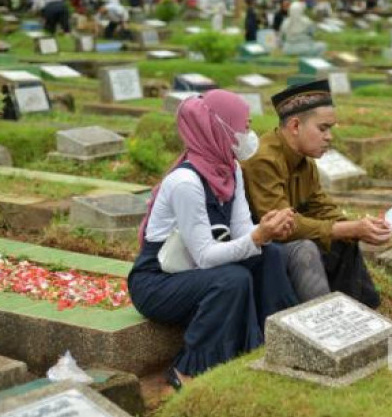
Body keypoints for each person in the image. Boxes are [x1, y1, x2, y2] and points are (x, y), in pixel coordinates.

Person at [128, 91, 298, 389]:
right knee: (232, 280)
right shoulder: (186, 183)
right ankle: (188, 370)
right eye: (243, 127)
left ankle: (279, 342)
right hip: (157, 281)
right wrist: (258, 237)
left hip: (194, 269)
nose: (249, 134)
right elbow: (205, 256)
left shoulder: (230, 169)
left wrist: (266, 232)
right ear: (220, 128)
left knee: (272, 255)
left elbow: (243, 228)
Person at [242, 80, 391, 309]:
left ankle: (358, 313)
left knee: (344, 239)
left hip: (280, 240)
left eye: (330, 129)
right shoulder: (264, 159)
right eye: (323, 128)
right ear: (294, 126)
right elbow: (281, 227)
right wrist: (349, 228)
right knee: (306, 249)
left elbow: (320, 206)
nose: (329, 136)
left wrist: (364, 227)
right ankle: (322, 321)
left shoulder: (303, 160)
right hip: (257, 245)